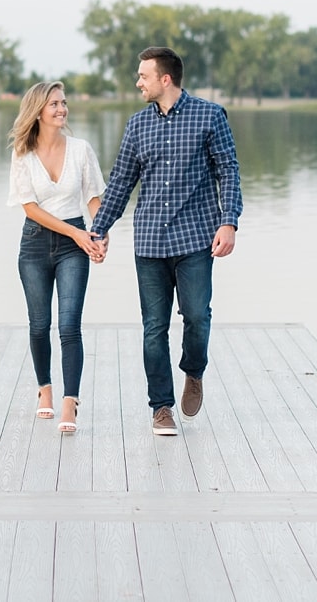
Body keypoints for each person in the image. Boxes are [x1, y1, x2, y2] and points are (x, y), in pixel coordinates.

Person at [90, 47, 242, 436]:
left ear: (165, 79)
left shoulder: (210, 116)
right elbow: (122, 181)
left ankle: (194, 371)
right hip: (151, 243)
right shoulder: (137, 125)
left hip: (195, 238)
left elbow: (229, 171)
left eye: (143, 76)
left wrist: (229, 222)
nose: (138, 82)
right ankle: (161, 406)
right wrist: (100, 229)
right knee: (153, 327)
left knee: (197, 316)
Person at [7, 81, 107, 435]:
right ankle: (44, 390)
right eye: (54, 104)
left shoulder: (81, 150)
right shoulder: (22, 153)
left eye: (64, 103)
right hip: (35, 245)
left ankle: (70, 401)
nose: (62, 109)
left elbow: (94, 197)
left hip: (74, 246)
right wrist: (76, 233)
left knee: (69, 326)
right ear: (38, 111)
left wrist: (100, 231)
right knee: (38, 324)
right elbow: (30, 209)